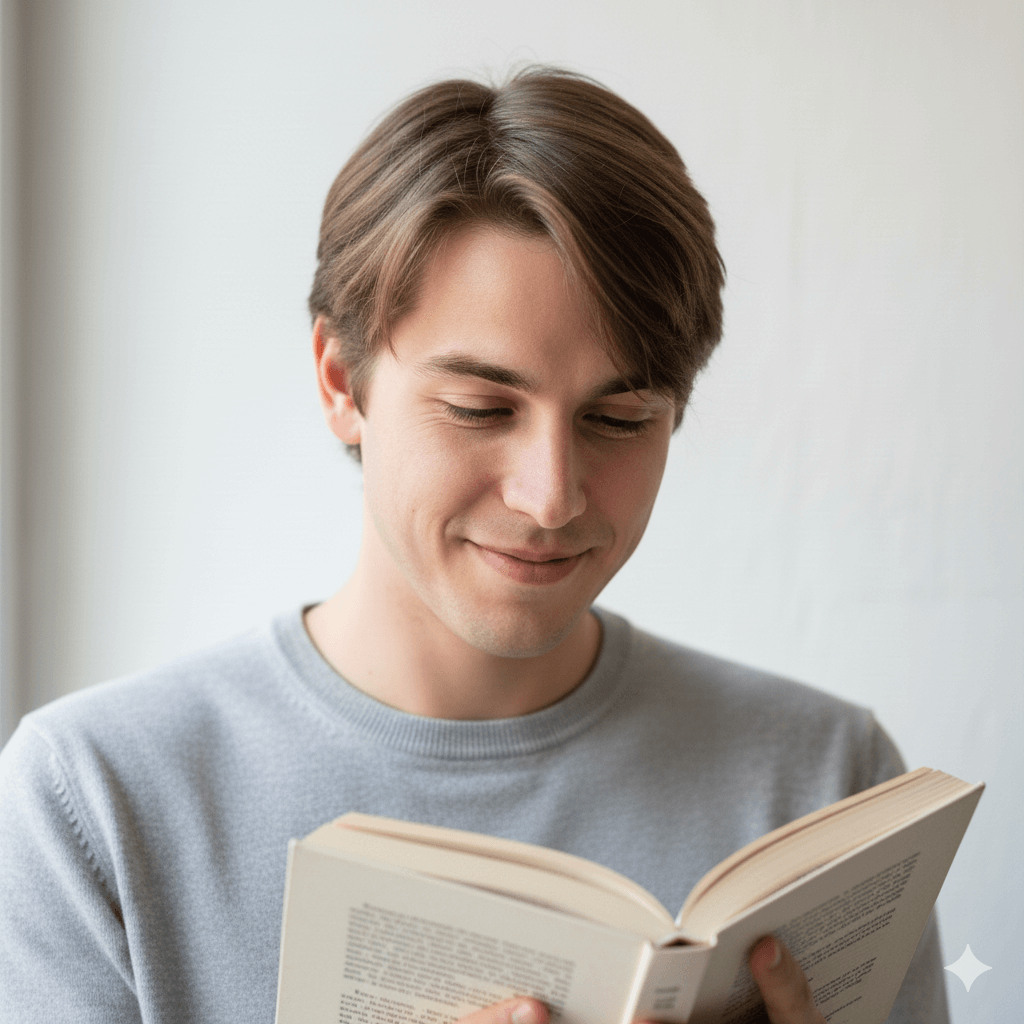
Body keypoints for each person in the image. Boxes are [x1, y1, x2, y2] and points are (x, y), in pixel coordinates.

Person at [0, 68, 947, 1024]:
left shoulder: (828, 786)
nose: (550, 497)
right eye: (479, 408)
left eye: (619, 417)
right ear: (341, 380)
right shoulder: (93, 802)